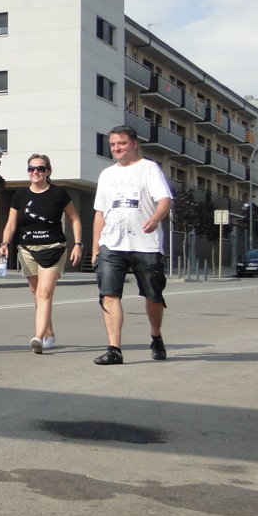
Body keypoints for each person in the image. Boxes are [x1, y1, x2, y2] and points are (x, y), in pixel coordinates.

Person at [91, 125, 173, 365]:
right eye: (113, 145)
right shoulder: (106, 174)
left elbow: (165, 200)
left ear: (134, 144)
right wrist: (96, 248)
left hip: (145, 244)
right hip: (112, 244)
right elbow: (99, 213)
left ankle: (156, 337)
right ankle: (114, 349)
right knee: (109, 294)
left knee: (153, 295)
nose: (117, 148)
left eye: (122, 143)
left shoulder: (149, 168)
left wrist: (156, 218)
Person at [0, 153, 83, 354]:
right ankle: (49, 333)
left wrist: (78, 244)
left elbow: (75, 219)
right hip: (26, 249)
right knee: (37, 293)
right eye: (31, 168)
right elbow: (11, 224)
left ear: (48, 172)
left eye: (40, 168)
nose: (35, 171)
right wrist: (4, 243)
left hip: (53, 248)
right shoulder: (20, 195)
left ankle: (38, 337)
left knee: (44, 293)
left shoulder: (59, 193)